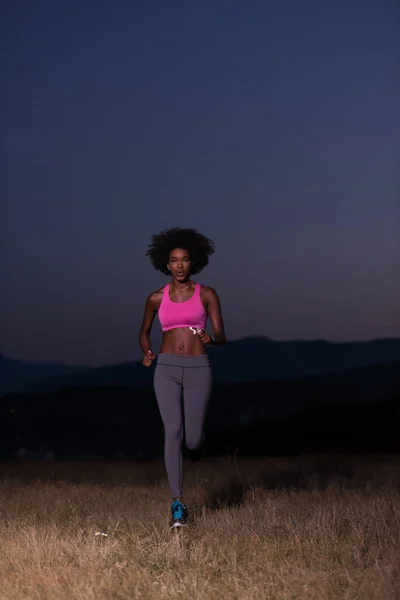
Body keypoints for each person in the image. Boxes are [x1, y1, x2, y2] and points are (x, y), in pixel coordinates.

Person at [139, 227, 227, 528]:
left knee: (191, 438)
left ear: (193, 263)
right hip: (165, 369)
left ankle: (197, 446)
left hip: (198, 368)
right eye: (174, 260)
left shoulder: (207, 294)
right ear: (166, 264)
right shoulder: (155, 298)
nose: (179, 265)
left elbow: (222, 335)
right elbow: (143, 331)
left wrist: (210, 339)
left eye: (185, 260)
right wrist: (148, 352)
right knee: (172, 430)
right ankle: (178, 505)